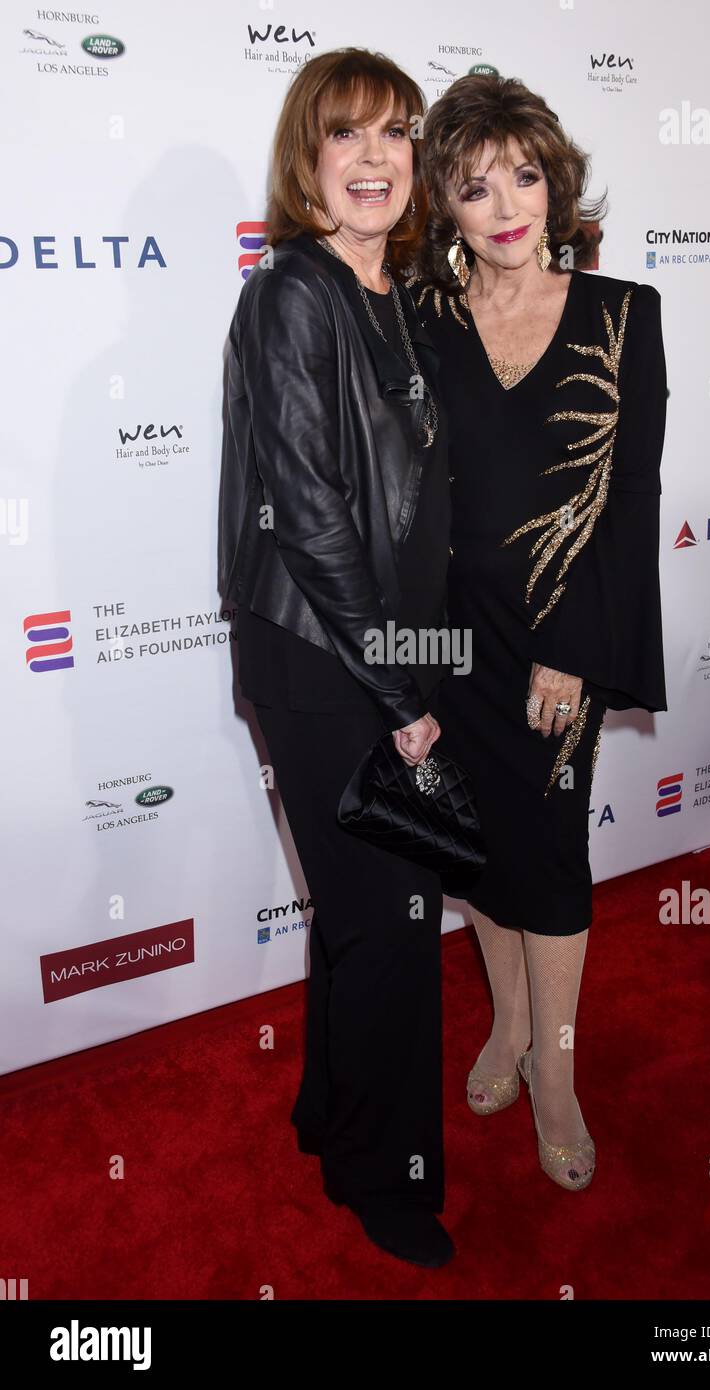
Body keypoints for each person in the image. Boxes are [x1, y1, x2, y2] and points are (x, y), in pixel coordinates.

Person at [408, 73, 668, 1191]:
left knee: (551, 861)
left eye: (522, 174)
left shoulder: (624, 315)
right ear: (447, 207)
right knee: (476, 853)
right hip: (452, 642)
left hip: (559, 641)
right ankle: (508, 1025)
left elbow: (631, 502)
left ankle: (554, 1073)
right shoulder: (421, 319)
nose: (504, 203)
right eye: (473, 186)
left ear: (554, 183)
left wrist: (575, 648)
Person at [218, 48, 454, 1266]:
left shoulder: (393, 296)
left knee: (361, 913)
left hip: (374, 645)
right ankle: (386, 1174)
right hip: (324, 660)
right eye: (345, 136)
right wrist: (403, 693)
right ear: (306, 164)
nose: (374, 159)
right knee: (389, 916)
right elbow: (309, 513)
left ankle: (328, 1115)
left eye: (393, 135)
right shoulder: (291, 295)